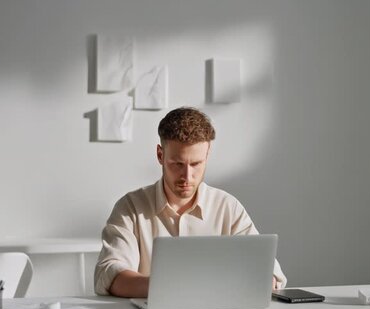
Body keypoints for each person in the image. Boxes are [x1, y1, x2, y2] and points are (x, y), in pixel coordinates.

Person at [94, 107, 287, 297]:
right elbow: (110, 274)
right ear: (160, 155)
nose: (187, 176)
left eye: (196, 164)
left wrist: (261, 279)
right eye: (177, 164)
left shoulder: (228, 207)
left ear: (207, 155)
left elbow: (269, 273)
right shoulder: (130, 208)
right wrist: (172, 288)